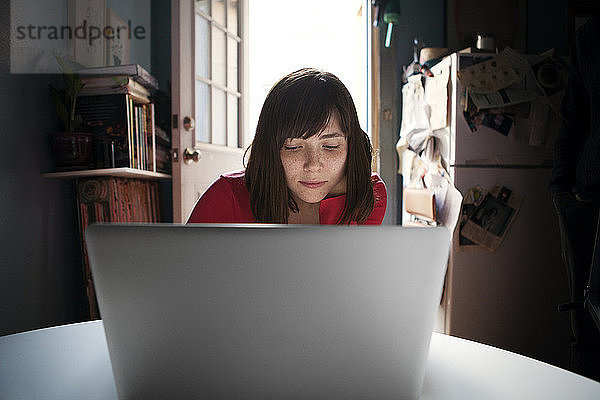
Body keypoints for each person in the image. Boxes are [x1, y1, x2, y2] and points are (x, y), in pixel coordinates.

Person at [187, 68, 387, 225]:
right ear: (271, 150)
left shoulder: (369, 195)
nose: (313, 165)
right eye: (293, 147)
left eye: (331, 146)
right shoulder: (225, 197)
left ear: (351, 145)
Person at [550, 13, 600, 381]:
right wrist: (560, 188)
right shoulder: (590, 37)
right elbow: (573, 119)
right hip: (587, 202)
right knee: (587, 328)